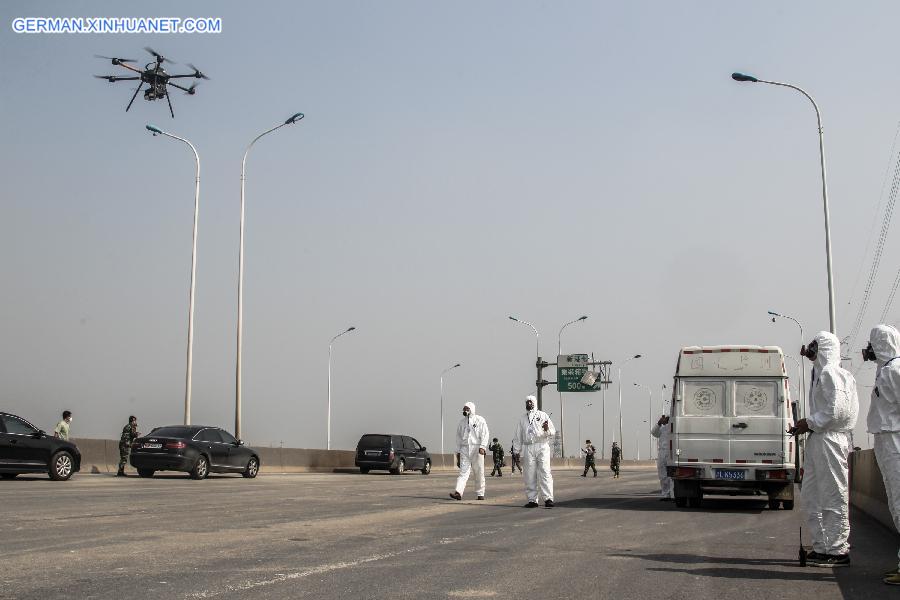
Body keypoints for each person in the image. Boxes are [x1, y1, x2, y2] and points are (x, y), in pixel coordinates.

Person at [792, 331, 859, 568]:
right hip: (819, 438)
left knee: (832, 495)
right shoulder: (820, 374)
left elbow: (836, 412)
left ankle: (837, 550)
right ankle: (821, 546)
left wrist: (809, 423)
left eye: (814, 345)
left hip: (829, 439)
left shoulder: (832, 373)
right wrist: (809, 426)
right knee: (812, 495)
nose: (810, 350)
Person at [864, 324, 900, 585]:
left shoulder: (896, 370)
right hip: (888, 442)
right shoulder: (885, 371)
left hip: (896, 441)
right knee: (896, 506)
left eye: (873, 345)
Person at [512, 395, 556, 508]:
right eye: (527, 402)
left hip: (542, 446)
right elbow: (518, 436)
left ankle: (548, 498)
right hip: (528, 447)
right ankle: (532, 500)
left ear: (535, 403)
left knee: (545, 472)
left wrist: (547, 430)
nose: (529, 404)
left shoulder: (542, 415)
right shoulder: (522, 419)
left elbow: (552, 431)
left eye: (531, 402)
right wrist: (516, 451)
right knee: (529, 474)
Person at [449, 401, 490, 501]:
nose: (465, 410)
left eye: (467, 408)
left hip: (477, 449)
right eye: (464, 409)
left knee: (479, 472)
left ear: (472, 409)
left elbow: (485, 434)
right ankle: (458, 492)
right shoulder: (461, 423)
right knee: (463, 472)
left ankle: (480, 493)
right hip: (464, 449)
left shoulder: (480, 420)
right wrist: (458, 453)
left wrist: (483, 447)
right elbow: (458, 439)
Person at [650, 415, 672, 500]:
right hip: (662, 452)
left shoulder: (675, 427)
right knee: (662, 474)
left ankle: (672, 493)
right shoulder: (662, 428)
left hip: (671, 452)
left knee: (671, 475)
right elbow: (654, 433)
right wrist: (659, 423)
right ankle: (666, 494)